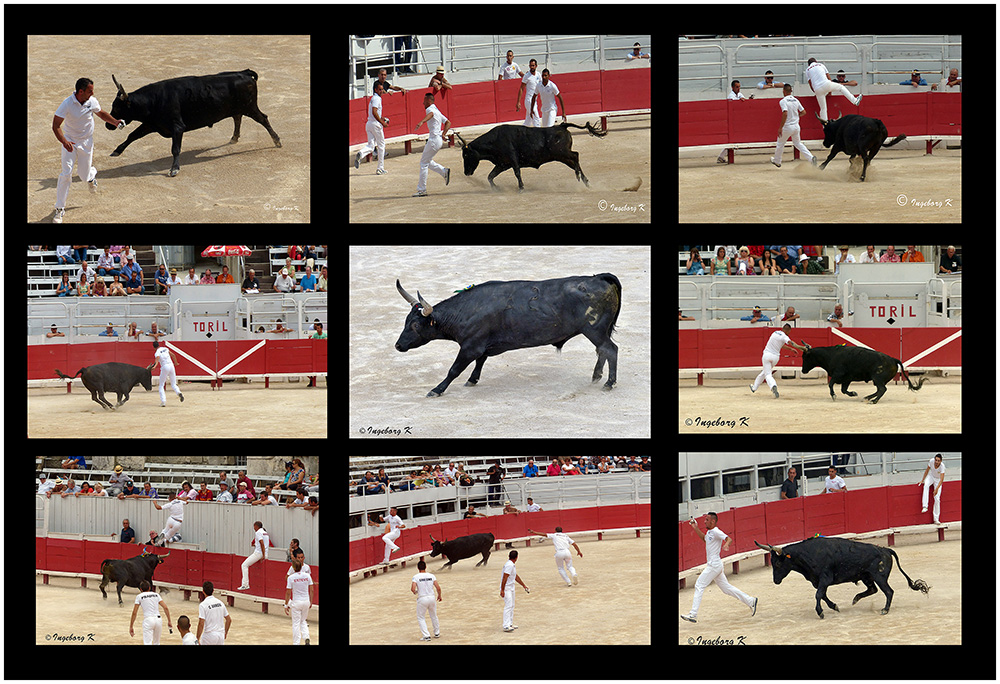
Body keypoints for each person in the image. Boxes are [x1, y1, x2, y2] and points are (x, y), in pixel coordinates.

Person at [681, 512, 756, 623]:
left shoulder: (716, 531)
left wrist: (726, 544)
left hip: (714, 565)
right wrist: (695, 528)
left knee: (699, 585)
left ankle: (693, 614)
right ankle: (751, 601)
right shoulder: (710, 532)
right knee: (726, 588)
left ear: (713, 521)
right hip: (715, 565)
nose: (705, 521)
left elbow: (728, 539)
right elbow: (704, 539)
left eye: (707, 520)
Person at [749, 323, 809, 398]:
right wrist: (801, 348)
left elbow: (782, 344)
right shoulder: (784, 337)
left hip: (767, 355)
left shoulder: (774, 333)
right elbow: (791, 343)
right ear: (788, 330)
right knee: (765, 372)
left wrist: (792, 348)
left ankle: (773, 385)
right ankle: (754, 387)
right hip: (775, 358)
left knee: (767, 374)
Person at [411, 559, 442, 641]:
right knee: (434, 616)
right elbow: (438, 587)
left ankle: (426, 635)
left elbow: (413, 588)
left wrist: (416, 592)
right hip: (431, 597)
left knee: (421, 617)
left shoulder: (416, 577)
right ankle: (437, 632)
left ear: (418, 568)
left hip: (422, 598)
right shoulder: (431, 576)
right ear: (426, 567)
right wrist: (439, 595)